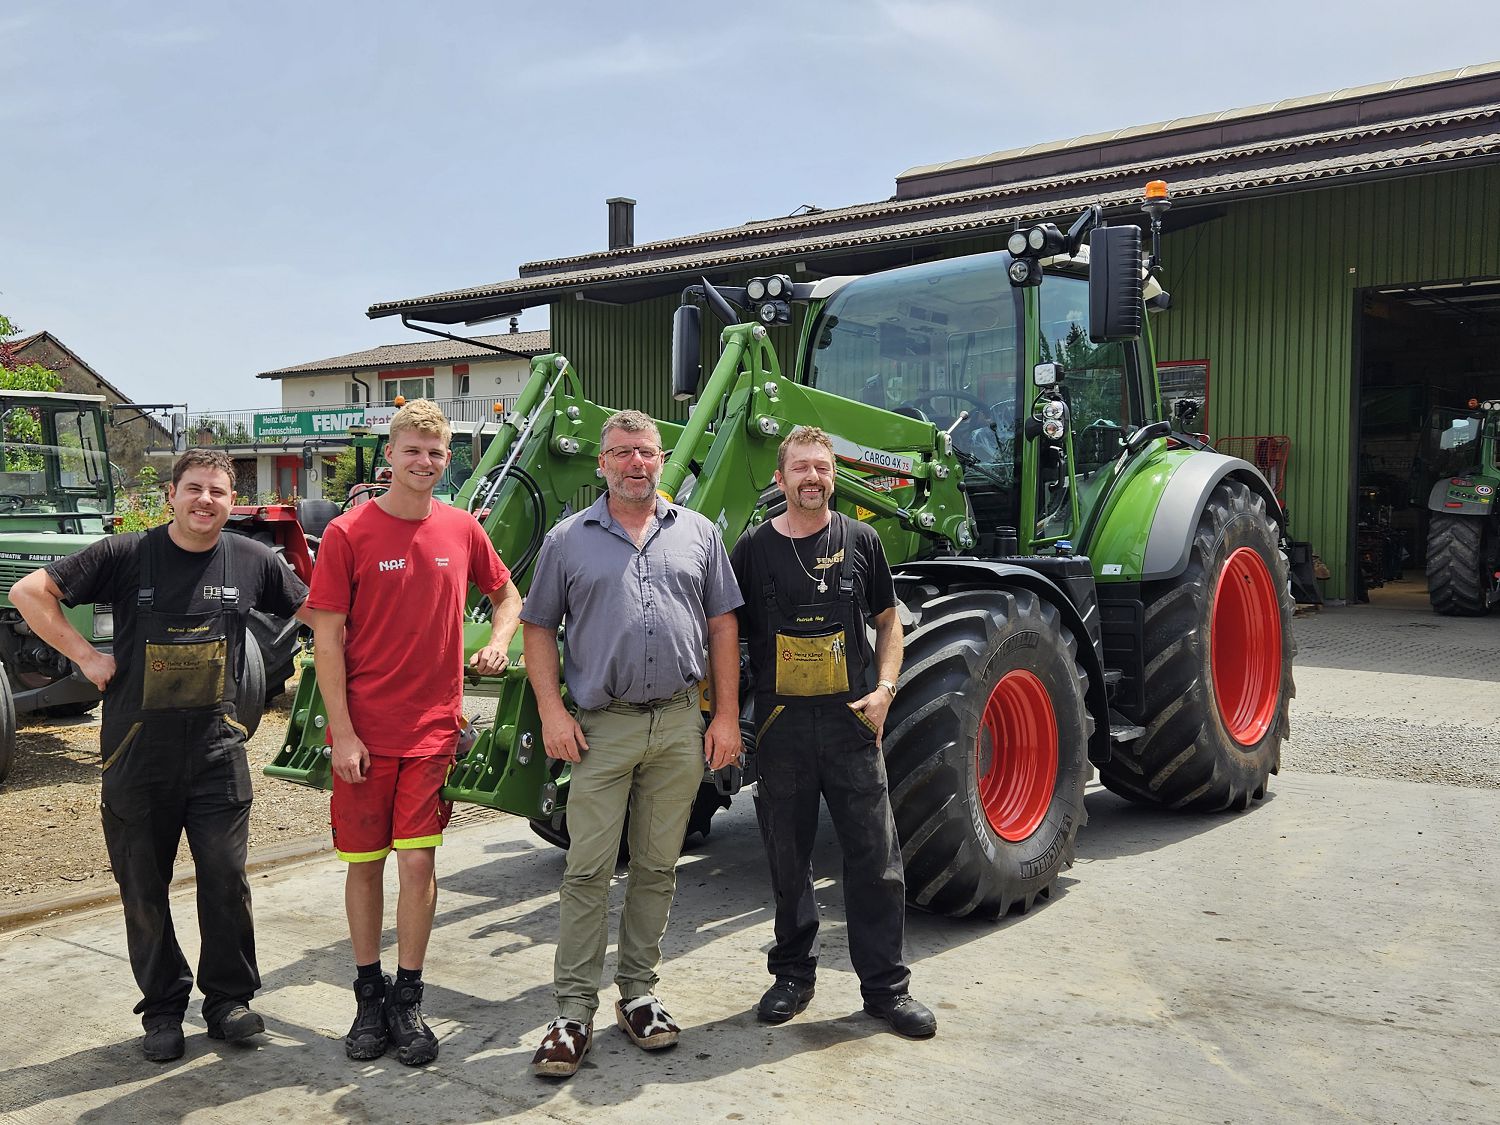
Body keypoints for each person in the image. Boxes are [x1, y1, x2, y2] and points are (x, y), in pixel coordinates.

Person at [10, 448, 310, 1063]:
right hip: (137, 752)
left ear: (231, 501)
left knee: (225, 881)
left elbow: (323, 615)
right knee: (143, 887)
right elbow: (28, 592)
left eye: (218, 492)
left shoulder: (253, 559)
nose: (206, 500)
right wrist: (86, 658)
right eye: (194, 488)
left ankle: (229, 1001)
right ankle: (164, 1009)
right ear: (172, 494)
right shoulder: (124, 554)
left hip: (216, 753)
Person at [522, 409, 742, 1079]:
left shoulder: (699, 533)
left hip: (678, 721)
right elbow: (536, 629)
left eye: (644, 451)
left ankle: (639, 993)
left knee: (657, 865)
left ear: (661, 457)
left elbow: (723, 626)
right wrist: (552, 711)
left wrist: (725, 715)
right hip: (602, 727)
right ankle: (571, 1012)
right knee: (587, 868)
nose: (634, 463)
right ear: (602, 464)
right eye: (620, 453)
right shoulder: (567, 539)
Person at [307, 399, 521, 1068]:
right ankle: (367, 995)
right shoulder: (348, 532)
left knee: (420, 861)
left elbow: (506, 595)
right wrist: (342, 733)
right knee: (365, 864)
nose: (425, 462)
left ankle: (408, 996)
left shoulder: (461, 528)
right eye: (413, 450)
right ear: (391, 455)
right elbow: (327, 639)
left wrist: (501, 642)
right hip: (365, 738)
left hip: (433, 732)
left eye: (436, 452)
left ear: (445, 458)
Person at [729, 426, 937, 1039]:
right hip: (781, 729)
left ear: (833, 475)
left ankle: (886, 990)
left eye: (821, 467)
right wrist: (727, 715)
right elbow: (729, 635)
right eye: (800, 468)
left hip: (852, 727)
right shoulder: (753, 550)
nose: (812, 477)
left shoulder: (862, 541)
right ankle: (792, 976)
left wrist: (886, 690)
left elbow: (887, 622)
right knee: (787, 860)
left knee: (875, 862)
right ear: (780, 477)